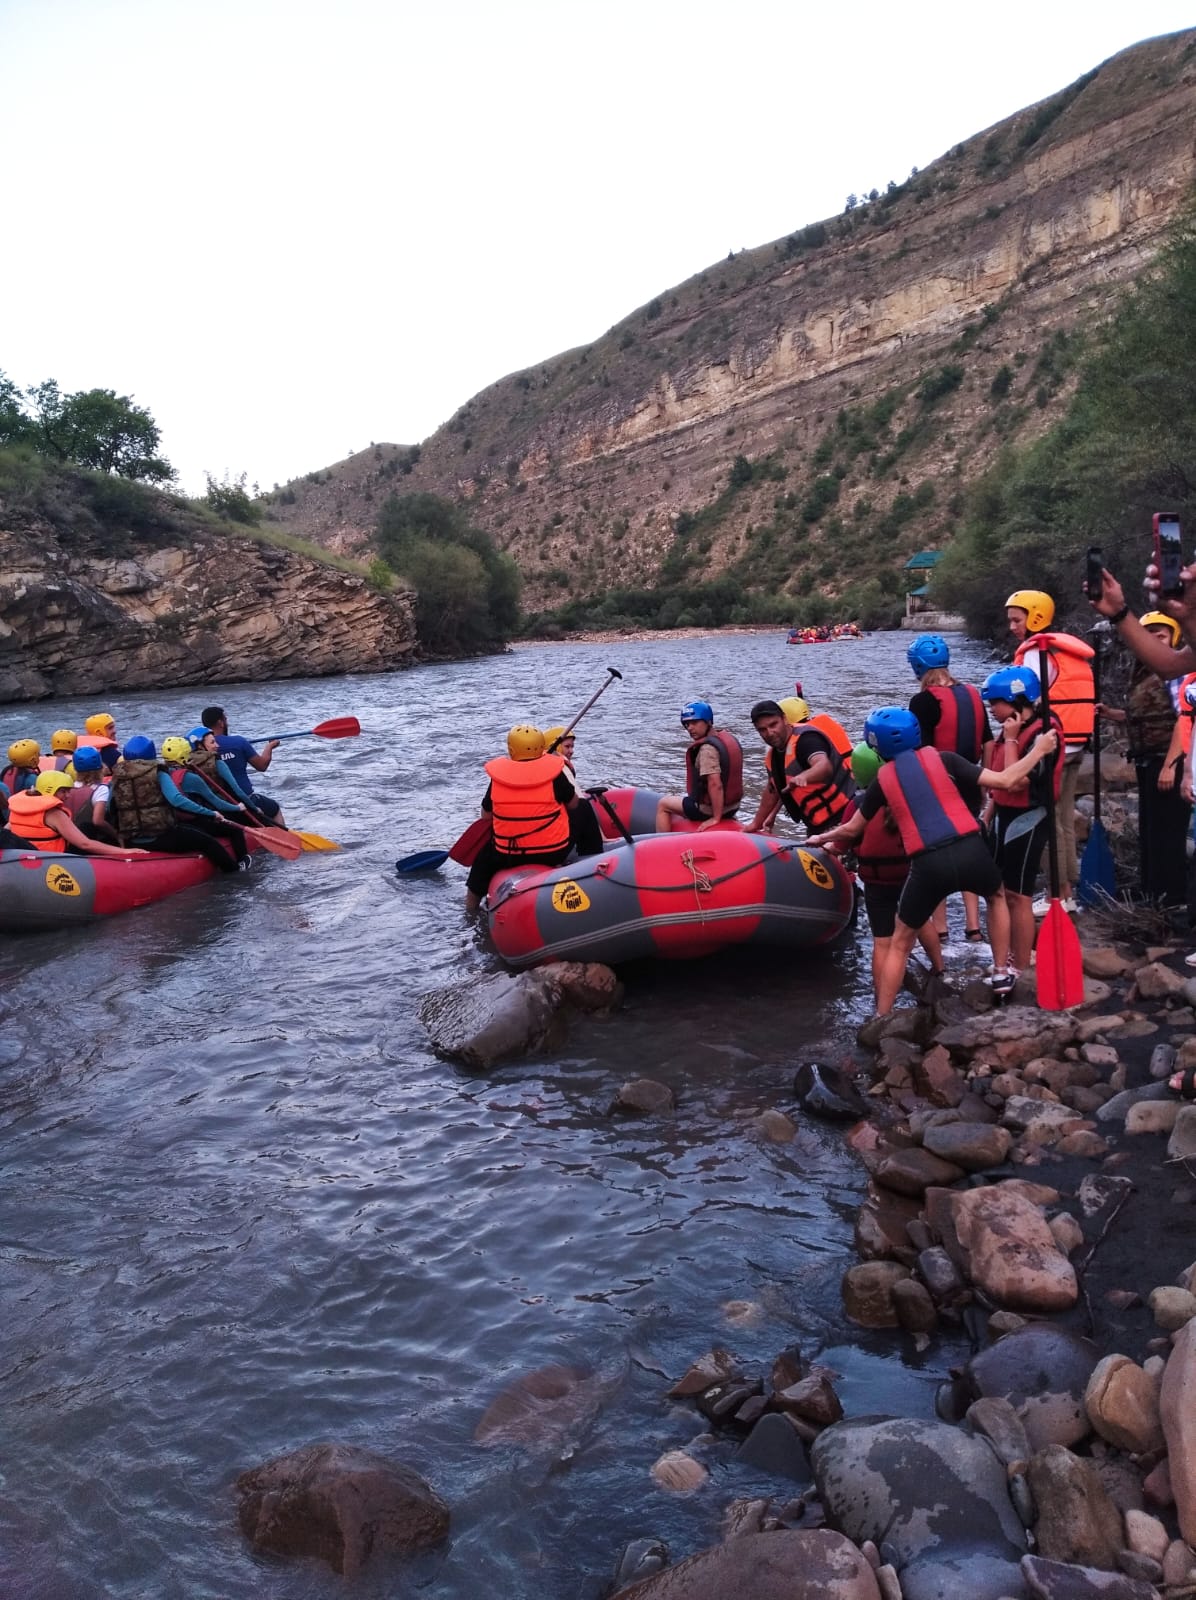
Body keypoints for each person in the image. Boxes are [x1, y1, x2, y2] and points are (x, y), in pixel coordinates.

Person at [807, 706, 1059, 1015]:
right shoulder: (946, 760)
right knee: (995, 896)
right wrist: (1041, 749)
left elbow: (852, 829)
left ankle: (881, 1016)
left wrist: (821, 839)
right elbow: (1006, 780)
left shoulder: (882, 782)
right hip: (970, 850)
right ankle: (1001, 972)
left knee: (899, 942)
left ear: (876, 747)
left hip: (929, 865)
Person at [1006, 588, 1094, 914]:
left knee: (1048, 822)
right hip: (1077, 743)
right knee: (1065, 820)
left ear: (1035, 618)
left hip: (1055, 745)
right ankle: (1069, 892)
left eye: (1017, 620)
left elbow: (1031, 697)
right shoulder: (1067, 649)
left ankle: (1059, 894)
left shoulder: (1036, 652)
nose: (1013, 627)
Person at [1096, 611, 1191, 908]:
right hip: (1147, 760)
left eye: (1160, 635)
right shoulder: (1142, 671)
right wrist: (1113, 714)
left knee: (1168, 835)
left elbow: (1184, 719)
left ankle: (1172, 900)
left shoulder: (1176, 673)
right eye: (1149, 636)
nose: (1154, 641)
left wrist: (1171, 765)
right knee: (1150, 832)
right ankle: (1151, 891)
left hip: (1168, 761)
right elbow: (1143, 716)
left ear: (1174, 638)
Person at [907, 633, 992, 944]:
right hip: (971, 782)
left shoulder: (922, 701)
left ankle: (940, 928)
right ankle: (973, 927)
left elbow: (921, 750)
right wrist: (985, 779)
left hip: (938, 787)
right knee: (969, 849)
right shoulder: (972, 694)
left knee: (936, 854)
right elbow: (988, 741)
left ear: (917, 667)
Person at [979, 666, 1064, 976]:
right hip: (1005, 815)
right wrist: (988, 815)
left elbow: (1014, 781)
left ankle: (1023, 962)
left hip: (1029, 816)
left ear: (1016, 699)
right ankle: (1013, 954)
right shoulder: (1014, 724)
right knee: (1002, 890)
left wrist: (1013, 740)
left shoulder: (1044, 733)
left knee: (1019, 893)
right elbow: (999, 785)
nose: (992, 709)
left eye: (995, 703)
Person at [850, 742, 943, 1008]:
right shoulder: (909, 800)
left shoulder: (857, 804)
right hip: (907, 874)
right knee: (920, 919)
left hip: (876, 881)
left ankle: (882, 1003)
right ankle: (940, 969)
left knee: (882, 942)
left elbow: (847, 838)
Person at [464, 725, 577, 912]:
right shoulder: (554, 774)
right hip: (553, 851)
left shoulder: (499, 779)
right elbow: (573, 804)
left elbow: (486, 816)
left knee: (481, 865)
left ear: (511, 750)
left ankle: (470, 910)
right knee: (582, 810)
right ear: (541, 746)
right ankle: (592, 856)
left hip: (507, 854)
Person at [107, 737, 249, 872]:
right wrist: (211, 814)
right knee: (209, 842)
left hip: (132, 839)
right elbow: (176, 800)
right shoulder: (157, 772)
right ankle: (235, 871)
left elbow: (109, 809)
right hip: (160, 836)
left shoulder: (116, 777)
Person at [744, 699, 856, 835]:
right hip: (817, 825)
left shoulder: (806, 740)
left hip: (846, 817)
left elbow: (824, 766)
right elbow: (773, 790)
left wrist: (804, 776)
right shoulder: (773, 755)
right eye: (762, 730)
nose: (769, 733)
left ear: (784, 719)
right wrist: (757, 823)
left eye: (773, 725)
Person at [7, 772, 148, 858]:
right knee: (88, 829)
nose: (68, 796)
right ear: (50, 789)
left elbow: (7, 831)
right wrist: (125, 852)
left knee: (86, 827)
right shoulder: (53, 813)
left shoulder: (18, 807)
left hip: (27, 856)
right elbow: (84, 844)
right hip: (55, 860)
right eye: (64, 791)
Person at [655, 702, 744, 833]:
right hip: (733, 807)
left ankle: (661, 845)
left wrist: (716, 818)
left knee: (663, 804)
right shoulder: (726, 738)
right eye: (687, 725)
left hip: (708, 810)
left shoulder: (707, 750)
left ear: (708, 722)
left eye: (695, 723)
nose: (690, 728)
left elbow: (715, 784)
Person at [161, 735, 265, 831]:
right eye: (212, 742)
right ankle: (243, 852)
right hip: (198, 819)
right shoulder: (191, 777)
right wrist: (240, 808)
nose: (217, 745)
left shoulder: (162, 775)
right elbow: (216, 801)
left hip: (174, 821)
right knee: (235, 832)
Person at [200, 707, 284, 823]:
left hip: (217, 804)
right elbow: (262, 766)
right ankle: (284, 837)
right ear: (221, 723)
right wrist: (270, 746)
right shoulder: (238, 742)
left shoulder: (198, 748)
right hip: (246, 800)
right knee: (275, 808)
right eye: (226, 719)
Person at [543, 725, 604, 856]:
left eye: (572, 747)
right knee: (583, 806)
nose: (571, 751)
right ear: (556, 747)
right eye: (567, 746)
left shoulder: (538, 766)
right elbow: (580, 804)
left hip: (544, 831)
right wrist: (603, 838)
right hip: (556, 837)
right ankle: (592, 856)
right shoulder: (561, 768)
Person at [60, 746, 121, 843]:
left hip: (71, 840)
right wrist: (117, 835)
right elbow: (98, 821)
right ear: (100, 766)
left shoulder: (68, 788)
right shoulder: (101, 789)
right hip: (95, 840)